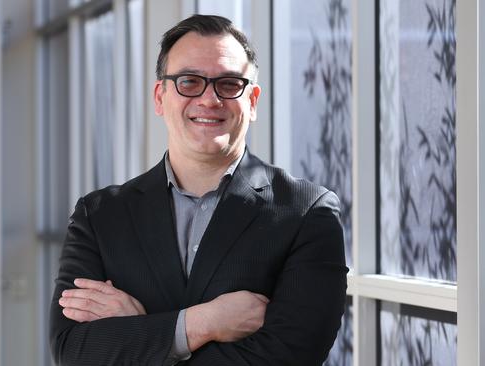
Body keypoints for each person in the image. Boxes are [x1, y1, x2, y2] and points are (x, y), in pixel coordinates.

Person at [50, 14, 348, 365]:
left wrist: (139, 330)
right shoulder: (100, 215)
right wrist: (202, 323)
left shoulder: (307, 212)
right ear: (160, 97)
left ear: (252, 101)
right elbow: (73, 351)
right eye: (189, 81)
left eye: (228, 83)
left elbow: (290, 357)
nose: (209, 99)